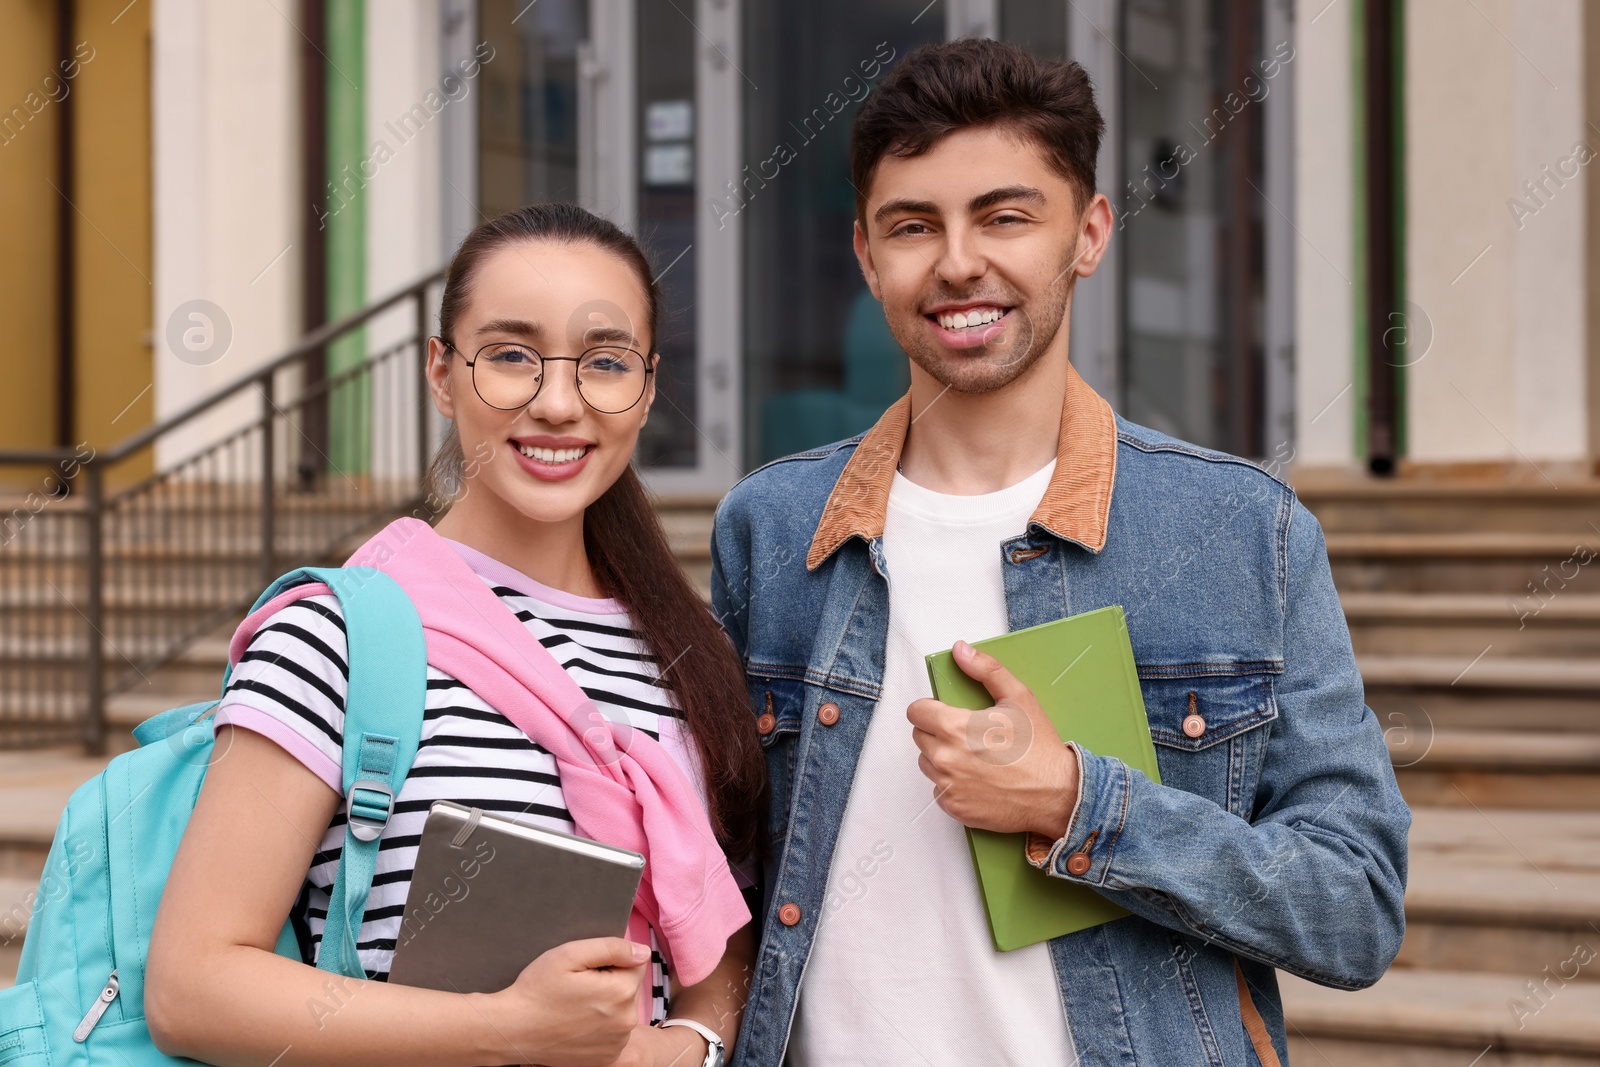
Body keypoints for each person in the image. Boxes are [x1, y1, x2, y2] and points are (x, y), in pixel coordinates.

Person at [712, 39, 1409, 1067]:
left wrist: (1080, 804)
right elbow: (716, 878)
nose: (957, 261)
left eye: (1004, 215)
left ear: (1087, 234)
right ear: (867, 256)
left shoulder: (1237, 530)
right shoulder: (768, 530)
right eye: (914, 225)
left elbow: (1352, 909)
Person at [147, 203, 764, 1067]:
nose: (557, 403)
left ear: (648, 386)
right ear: (442, 373)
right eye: (510, 355)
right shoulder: (340, 634)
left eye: (606, 363)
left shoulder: (687, 653)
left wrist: (688, 1046)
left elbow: (723, 927)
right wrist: (505, 1029)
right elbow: (193, 985)